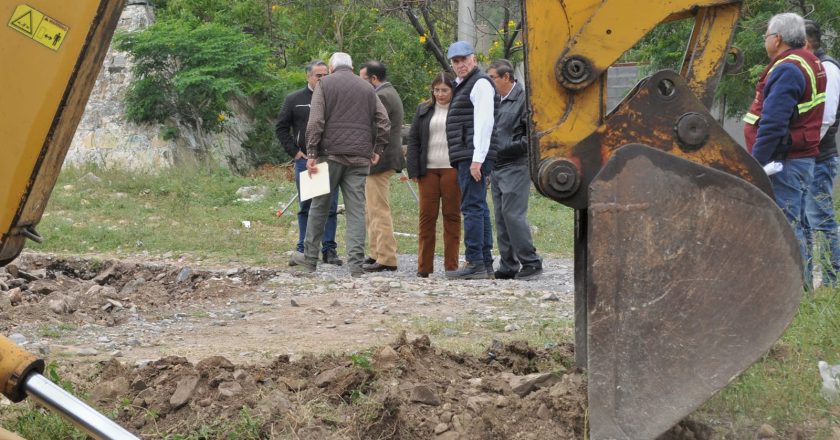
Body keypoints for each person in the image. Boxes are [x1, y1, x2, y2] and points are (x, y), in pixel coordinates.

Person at [290, 52, 390, 277]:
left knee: (319, 207)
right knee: (356, 210)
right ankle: (355, 266)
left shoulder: (324, 84)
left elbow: (315, 121)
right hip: (359, 158)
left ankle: (309, 262)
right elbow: (384, 121)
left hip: (329, 156)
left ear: (332, 68)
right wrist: (377, 150)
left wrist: (312, 152)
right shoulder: (367, 88)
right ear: (352, 68)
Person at [743, 12, 826, 278]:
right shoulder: (810, 62)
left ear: (777, 39)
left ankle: (793, 291)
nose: (765, 41)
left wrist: (755, 164)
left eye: (765, 36)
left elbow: (773, 123)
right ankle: (800, 288)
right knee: (798, 224)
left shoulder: (788, 68)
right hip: (800, 157)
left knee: (786, 226)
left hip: (784, 162)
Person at [275, 60, 343, 266]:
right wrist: (295, 152)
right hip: (306, 162)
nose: (322, 79)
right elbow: (281, 127)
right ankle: (303, 249)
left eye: (325, 75)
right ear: (308, 76)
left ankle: (329, 250)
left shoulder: (335, 98)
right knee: (306, 206)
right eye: (318, 76)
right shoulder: (295, 99)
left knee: (330, 207)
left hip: (329, 159)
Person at [444, 41, 499, 280]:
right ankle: (484, 262)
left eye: (464, 59)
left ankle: (475, 261)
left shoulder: (480, 84)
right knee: (479, 206)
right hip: (468, 153)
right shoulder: (464, 85)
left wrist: (477, 159)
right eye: (456, 61)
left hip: (472, 154)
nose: (460, 64)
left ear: (473, 59)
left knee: (472, 207)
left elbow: (485, 123)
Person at [486, 60, 543, 280]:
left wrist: (503, 149)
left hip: (516, 165)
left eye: (493, 77)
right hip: (497, 166)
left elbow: (531, 138)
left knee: (513, 214)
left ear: (506, 77)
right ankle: (508, 264)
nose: (489, 81)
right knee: (500, 216)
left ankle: (531, 262)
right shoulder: (494, 100)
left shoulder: (524, 100)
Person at [406, 72, 461, 278]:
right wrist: (413, 169)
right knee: (427, 217)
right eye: (436, 90)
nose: (440, 94)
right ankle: (424, 266)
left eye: (444, 90)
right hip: (427, 169)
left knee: (452, 217)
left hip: (452, 168)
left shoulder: (460, 109)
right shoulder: (423, 109)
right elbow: (413, 140)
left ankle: (451, 266)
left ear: (452, 90)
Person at [802, 19, 840, 288]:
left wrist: (806, 150)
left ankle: (831, 280)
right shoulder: (813, 67)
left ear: (806, 41)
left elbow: (825, 119)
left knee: (821, 219)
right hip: (811, 159)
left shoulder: (827, 68)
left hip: (819, 158)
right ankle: (806, 280)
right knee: (806, 219)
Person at [359, 61, 404, 272]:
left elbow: (376, 128)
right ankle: (376, 252)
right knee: (371, 209)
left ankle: (386, 257)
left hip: (381, 159)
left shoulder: (383, 96)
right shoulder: (385, 93)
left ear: (374, 79)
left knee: (379, 210)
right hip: (378, 160)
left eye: (363, 79)